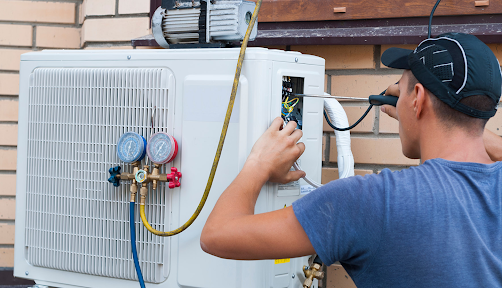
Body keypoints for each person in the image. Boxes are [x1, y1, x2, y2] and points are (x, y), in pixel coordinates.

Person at [200, 33, 502, 287]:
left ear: (418, 98)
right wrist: (442, 118)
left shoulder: (371, 201)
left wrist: (259, 163)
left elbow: (217, 235)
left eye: (403, 87)